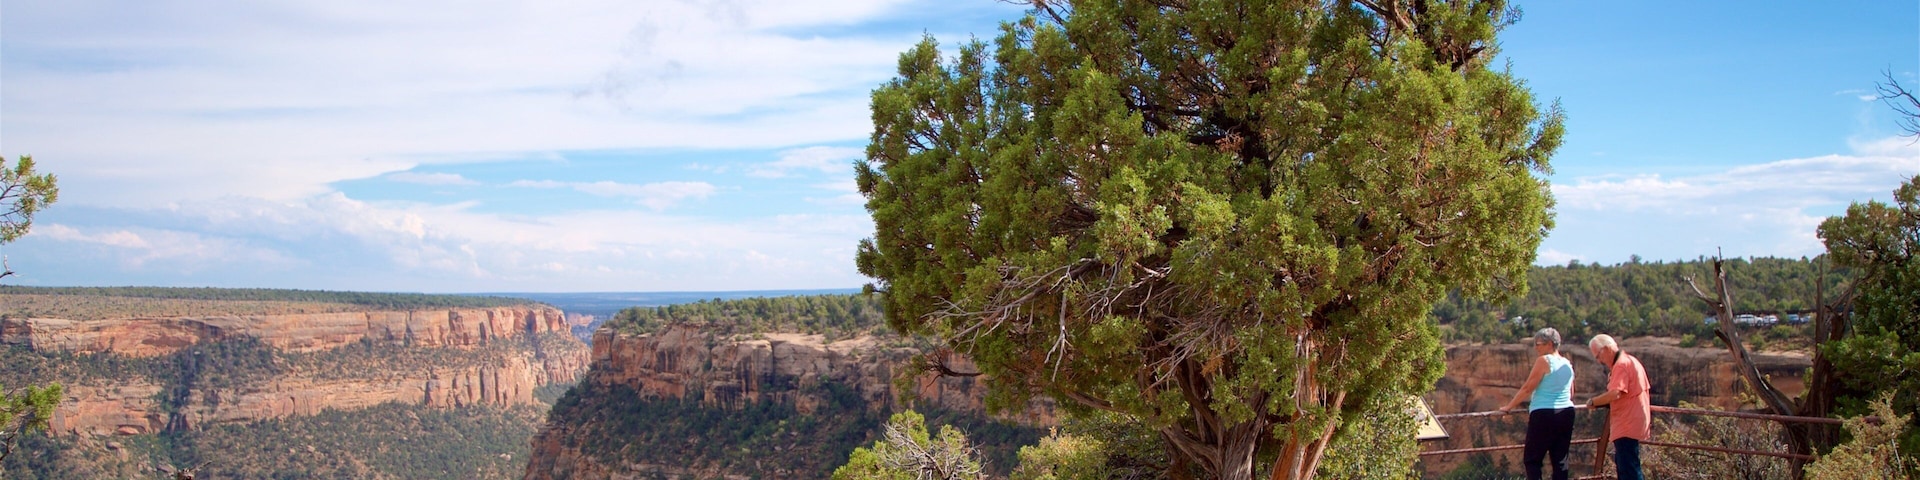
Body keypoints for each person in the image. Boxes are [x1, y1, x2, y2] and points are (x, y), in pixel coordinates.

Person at [1500, 327, 1576, 480]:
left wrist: (1509, 407)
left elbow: (1528, 387)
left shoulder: (1544, 360)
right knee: (1560, 459)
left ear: (1549, 344)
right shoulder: (1567, 363)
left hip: (1544, 414)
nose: (1535, 347)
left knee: (1532, 460)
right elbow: (1571, 393)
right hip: (1566, 412)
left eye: (1538, 344)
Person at [1588, 334, 1650, 480]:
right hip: (1634, 421)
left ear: (1607, 349)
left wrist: (1593, 402)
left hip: (1626, 424)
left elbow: (1615, 393)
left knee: (1628, 470)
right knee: (1629, 466)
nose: (1599, 361)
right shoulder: (1631, 361)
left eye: (1598, 356)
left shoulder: (1621, 365)